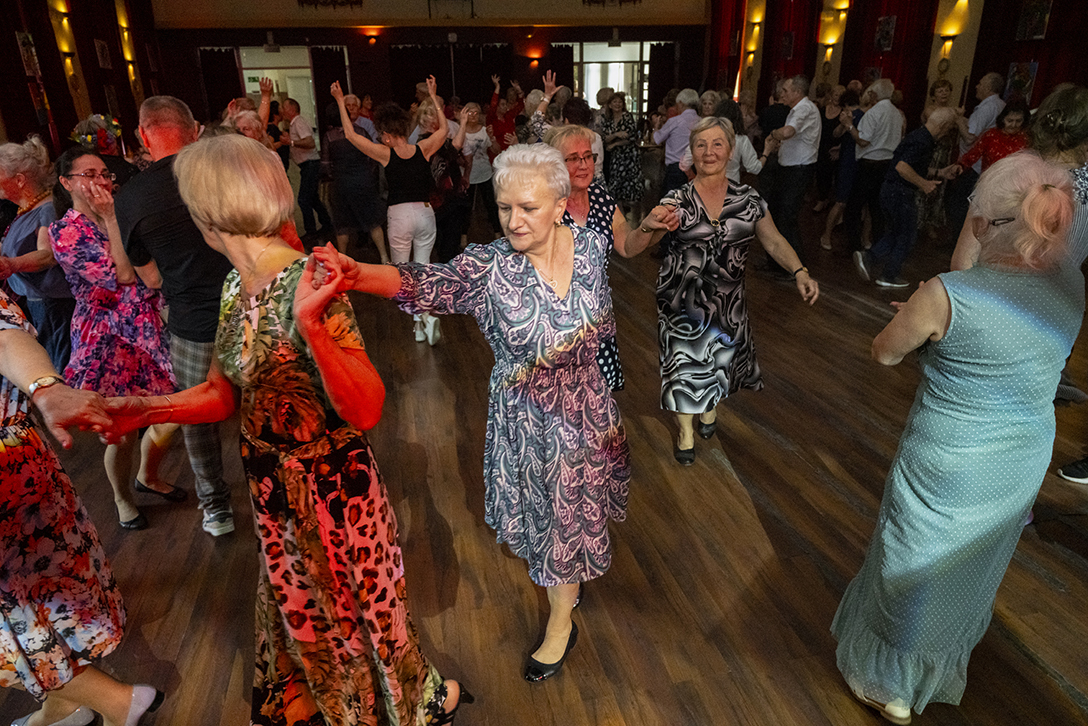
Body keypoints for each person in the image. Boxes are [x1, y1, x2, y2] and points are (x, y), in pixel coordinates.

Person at [106, 133, 471, 726]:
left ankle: (405, 706)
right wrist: (143, 409)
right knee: (302, 613)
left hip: (334, 494)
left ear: (205, 213)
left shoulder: (307, 281)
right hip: (273, 488)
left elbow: (367, 409)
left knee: (357, 616)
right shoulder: (234, 284)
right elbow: (223, 394)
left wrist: (314, 329)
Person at [309, 143, 635, 683]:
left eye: (528, 207)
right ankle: (562, 616)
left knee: (577, 515)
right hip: (530, 419)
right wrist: (356, 273)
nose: (514, 220)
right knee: (553, 520)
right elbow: (426, 284)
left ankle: (565, 599)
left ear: (561, 206)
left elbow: (601, 324)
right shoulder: (490, 269)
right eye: (505, 208)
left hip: (590, 408)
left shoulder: (592, 246)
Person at [832, 153, 1082, 725]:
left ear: (988, 224)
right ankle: (936, 665)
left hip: (950, 454)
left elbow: (885, 353)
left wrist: (927, 314)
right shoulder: (1071, 283)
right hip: (1023, 454)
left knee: (913, 558)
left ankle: (892, 686)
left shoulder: (948, 293)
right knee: (972, 565)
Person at [0, 288, 163, 726]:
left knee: (25, 613)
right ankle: (63, 705)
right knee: (40, 607)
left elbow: (5, 338)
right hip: (18, 463)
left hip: (9, 472)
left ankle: (118, 702)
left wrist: (44, 387)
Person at [634, 116, 819, 465]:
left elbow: (773, 241)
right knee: (684, 368)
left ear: (731, 150)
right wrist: (647, 225)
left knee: (718, 362)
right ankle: (686, 432)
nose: (709, 152)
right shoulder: (677, 199)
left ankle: (709, 407)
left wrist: (799, 270)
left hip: (728, 299)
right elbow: (641, 244)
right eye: (701, 145)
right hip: (681, 299)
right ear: (691, 152)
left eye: (717, 144)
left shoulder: (749, 199)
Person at [115, 95, 236, 537]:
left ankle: (216, 508)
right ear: (195, 130)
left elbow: (149, 279)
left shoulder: (131, 196)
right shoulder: (222, 172)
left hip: (191, 319)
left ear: (143, 136)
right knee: (270, 406)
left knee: (198, 418)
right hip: (251, 309)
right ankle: (276, 492)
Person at [49, 146, 180, 530]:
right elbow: (121, 275)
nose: (100, 182)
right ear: (66, 183)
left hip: (145, 325)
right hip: (106, 338)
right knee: (119, 432)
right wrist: (109, 217)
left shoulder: (123, 212)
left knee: (170, 413)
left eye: (104, 174)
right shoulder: (66, 232)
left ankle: (147, 475)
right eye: (88, 175)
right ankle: (123, 499)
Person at [331, 77, 447, 344]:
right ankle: (422, 322)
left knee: (403, 275)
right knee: (423, 270)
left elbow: (350, 135)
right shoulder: (423, 149)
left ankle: (422, 320)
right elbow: (443, 131)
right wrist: (434, 96)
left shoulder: (385, 153)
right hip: (425, 214)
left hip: (400, 216)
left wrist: (339, 100)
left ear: (386, 133)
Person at [545, 124, 629, 391]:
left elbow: (626, 245)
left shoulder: (601, 198)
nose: (583, 165)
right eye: (573, 158)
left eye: (588, 156)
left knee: (599, 399)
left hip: (596, 321)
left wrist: (651, 226)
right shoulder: (543, 205)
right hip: (557, 327)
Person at [853, 108, 961, 288]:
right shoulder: (923, 141)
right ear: (944, 126)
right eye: (950, 128)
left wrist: (940, 172)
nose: (949, 133)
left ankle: (870, 259)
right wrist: (924, 184)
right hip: (900, 192)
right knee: (907, 235)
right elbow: (902, 168)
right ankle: (888, 274)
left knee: (896, 232)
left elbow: (911, 166)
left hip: (891, 190)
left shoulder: (919, 136)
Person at [0, 137, 75, 373]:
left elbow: (47, 255)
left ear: (19, 180)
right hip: (40, 304)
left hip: (53, 305)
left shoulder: (47, 209)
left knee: (59, 366)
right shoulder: (26, 210)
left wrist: (12, 264)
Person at [763, 74, 821, 272]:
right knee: (776, 214)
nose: (782, 94)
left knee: (786, 217)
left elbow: (788, 132)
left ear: (797, 92)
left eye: (786, 90)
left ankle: (795, 267)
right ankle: (778, 263)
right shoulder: (797, 109)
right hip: (790, 169)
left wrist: (773, 134)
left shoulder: (804, 109)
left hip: (798, 171)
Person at [323, 96, 391, 264]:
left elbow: (325, 165)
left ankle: (342, 259)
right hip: (363, 182)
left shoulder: (329, 137)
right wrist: (366, 173)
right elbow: (372, 156)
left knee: (342, 226)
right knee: (373, 221)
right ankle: (384, 256)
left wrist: (335, 176)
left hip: (341, 185)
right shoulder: (360, 132)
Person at [841, 79, 902, 256]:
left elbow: (863, 140)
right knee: (877, 208)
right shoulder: (896, 113)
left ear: (874, 95)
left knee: (853, 208)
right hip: (887, 163)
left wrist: (849, 125)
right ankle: (879, 246)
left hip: (869, 165)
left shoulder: (874, 113)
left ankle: (854, 248)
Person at [946, 72, 1007, 238]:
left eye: (980, 83)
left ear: (988, 87)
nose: (976, 86)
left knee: (960, 203)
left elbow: (969, 138)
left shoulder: (986, 107)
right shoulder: (1001, 105)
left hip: (974, 165)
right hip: (985, 165)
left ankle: (958, 241)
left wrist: (958, 120)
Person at [418, 99, 471, 263]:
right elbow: (455, 147)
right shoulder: (431, 142)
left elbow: (454, 150)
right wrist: (463, 124)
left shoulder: (427, 141)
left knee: (446, 242)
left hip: (442, 199)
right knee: (447, 244)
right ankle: (448, 271)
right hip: (442, 200)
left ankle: (448, 268)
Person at [282, 97, 334, 243]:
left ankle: (311, 231)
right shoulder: (294, 123)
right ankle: (327, 224)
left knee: (303, 199)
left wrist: (291, 142)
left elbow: (310, 142)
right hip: (307, 165)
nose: (282, 110)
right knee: (312, 198)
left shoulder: (298, 122)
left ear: (292, 109)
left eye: (284, 107)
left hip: (310, 164)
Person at [820, 89, 863, 250]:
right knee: (846, 201)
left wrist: (845, 124)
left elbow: (838, 134)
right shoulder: (859, 116)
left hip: (849, 161)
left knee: (841, 201)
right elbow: (837, 134)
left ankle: (827, 235)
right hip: (853, 160)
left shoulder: (857, 116)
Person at [918, 80, 958, 239]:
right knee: (927, 185)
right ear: (933, 95)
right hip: (932, 153)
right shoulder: (930, 110)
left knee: (940, 189)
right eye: (940, 91)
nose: (944, 93)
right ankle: (918, 221)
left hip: (945, 154)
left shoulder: (952, 111)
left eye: (947, 90)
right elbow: (939, 128)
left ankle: (931, 223)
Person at [460, 101, 502, 240]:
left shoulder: (484, 131)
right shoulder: (460, 131)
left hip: (484, 173)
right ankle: (463, 236)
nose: (473, 115)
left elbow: (496, 150)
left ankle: (497, 233)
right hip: (466, 176)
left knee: (491, 205)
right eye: (470, 112)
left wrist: (492, 138)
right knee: (466, 207)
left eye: (476, 113)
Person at [953, 100, 1030, 174]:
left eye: (1018, 121)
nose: (1013, 125)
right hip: (989, 180)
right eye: (1010, 121)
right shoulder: (991, 135)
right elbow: (972, 155)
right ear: (1003, 119)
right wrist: (961, 166)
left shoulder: (1025, 139)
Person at [599, 92, 643, 212]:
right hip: (615, 156)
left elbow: (631, 137)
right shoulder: (607, 119)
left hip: (628, 156)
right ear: (610, 105)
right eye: (615, 102)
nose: (617, 104)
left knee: (627, 184)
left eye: (620, 102)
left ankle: (626, 210)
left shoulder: (627, 117)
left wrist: (615, 143)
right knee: (615, 184)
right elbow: (605, 138)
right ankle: (618, 210)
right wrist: (617, 134)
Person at [654, 88, 701, 196]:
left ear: (680, 103)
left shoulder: (675, 121)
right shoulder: (702, 121)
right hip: (696, 167)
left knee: (670, 201)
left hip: (676, 167)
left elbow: (657, 139)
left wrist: (656, 127)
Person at [814, 85, 845, 212]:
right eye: (836, 94)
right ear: (831, 95)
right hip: (821, 146)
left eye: (840, 95)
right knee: (821, 173)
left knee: (834, 175)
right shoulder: (822, 110)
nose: (837, 97)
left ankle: (832, 201)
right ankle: (822, 199)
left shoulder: (844, 113)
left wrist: (839, 148)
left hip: (836, 149)